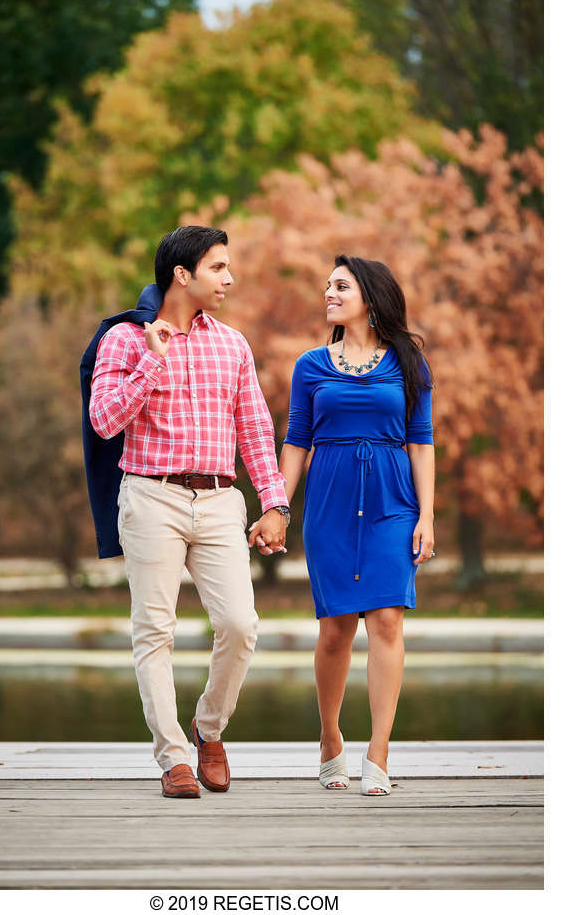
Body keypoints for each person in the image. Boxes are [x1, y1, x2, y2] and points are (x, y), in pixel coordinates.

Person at [89, 226, 290, 798]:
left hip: (221, 501)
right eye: (219, 268)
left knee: (239, 625)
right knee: (155, 632)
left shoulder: (232, 344)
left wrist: (274, 504)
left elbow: (253, 429)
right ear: (183, 274)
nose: (230, 278)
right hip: (151, 497)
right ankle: (173, 757)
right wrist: (152, 361)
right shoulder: (124, 341)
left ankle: (208, 728)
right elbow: (104, 421)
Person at [277, 255, 435, 796]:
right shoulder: (310, 366)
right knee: (335, 629)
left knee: (387, 620)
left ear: (370, 295)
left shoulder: (409, 363)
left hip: (394, 501)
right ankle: (329, 737)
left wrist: (427, 516)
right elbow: (297, 440)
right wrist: (278, 505)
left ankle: (379, 751)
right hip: (331, 505)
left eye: (340, 285)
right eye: (327, 285)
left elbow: (421, 440)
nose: (329, 292)